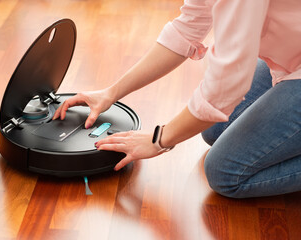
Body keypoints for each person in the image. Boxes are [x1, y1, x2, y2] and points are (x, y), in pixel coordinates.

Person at [53, 0, 301, 198]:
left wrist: (159, 140)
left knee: (226, 174)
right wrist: (111, 92)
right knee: (213, 130)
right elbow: (187, 29)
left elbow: (226, 85)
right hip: (291, 55)